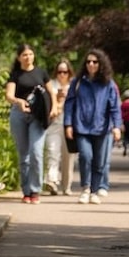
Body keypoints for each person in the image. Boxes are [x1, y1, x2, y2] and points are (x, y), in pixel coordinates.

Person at [64, 49, 122, 204]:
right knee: (85, 156)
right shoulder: (77, 82)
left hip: (102, 128)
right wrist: (68, 124)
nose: (91, 64)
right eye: (88, 61)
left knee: (100, 162)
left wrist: (117, 126)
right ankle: (85, 188)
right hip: (81, 127)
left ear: (101, 64)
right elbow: (69, 103)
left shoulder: (108, 84)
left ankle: (94, 191)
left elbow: (115, 107)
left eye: (95, 62)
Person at [5, 44, 52, 204]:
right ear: (19, 58)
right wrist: (18, 101)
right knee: (24, 155)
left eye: (30, 54)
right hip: (19, 115)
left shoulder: (41, 72)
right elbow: (9, 95)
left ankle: (35, 190)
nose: (28, 57)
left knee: (36, 153)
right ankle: (26, 191)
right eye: (24, 55)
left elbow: (51, 92)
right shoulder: (15, 75)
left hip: (37, 116)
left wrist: (54, 108)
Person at [44, 59, 75, 195]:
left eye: (65, 72)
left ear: (69, 72)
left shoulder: (74, 86)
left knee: (68, 157)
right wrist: (57, 99)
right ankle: (52, 181)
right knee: (52, 152)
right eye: (59, 72)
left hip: (70, 125)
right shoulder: (51, 86)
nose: (62, 74)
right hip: (54, 124)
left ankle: (67, 186)